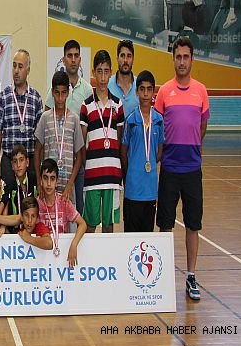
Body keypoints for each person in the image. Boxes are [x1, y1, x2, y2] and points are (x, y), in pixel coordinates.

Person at [154, 37, 209, 300]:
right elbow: (157, 128)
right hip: (169, 169)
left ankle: (191, 276)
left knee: (192, 224)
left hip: (192, 170)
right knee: (166, 224)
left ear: (192, 59)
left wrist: (192, 147)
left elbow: (202, 127)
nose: (182, 61)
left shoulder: (201, 91)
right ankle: (164, 278)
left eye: (186, 57)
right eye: (178, 57)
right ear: (173, 59)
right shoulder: (164, 92)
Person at [0, 159, 86, 267]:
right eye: (45, 178)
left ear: (57, 181)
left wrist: (74, 244)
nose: (49, 183)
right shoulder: (37, 203)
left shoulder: (64, 202)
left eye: (52, 179)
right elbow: (19, 218)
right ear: (40, 180)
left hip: (63, 256)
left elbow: (82, 224)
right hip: (41, 257)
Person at [45, 40, 92, 215]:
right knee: (54, 207)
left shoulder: (87, 90)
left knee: (77, 207)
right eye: (69, 56)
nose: (73, 59)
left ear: (80, 59)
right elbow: (47, 120)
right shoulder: (55, 90)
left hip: (77, 159)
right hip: (56, 159)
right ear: (63, 59)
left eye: (76, 56)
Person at [80, 50, 124, 234]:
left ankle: (108, 255)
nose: (103, 77)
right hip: (92, 176)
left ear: (111, 73)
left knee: (108, 225)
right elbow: (82, 143)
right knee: (90, 225)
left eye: (106, 71)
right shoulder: (86, 105)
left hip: (112, 176)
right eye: (99, 71)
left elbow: (119, 140)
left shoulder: (118, 105)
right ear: (93, 73)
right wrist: (87, 167)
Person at [0, 49, 43, 193]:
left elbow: (40, 136)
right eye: (14, 66)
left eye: (20, 66)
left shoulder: (36, 98)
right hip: (9, 160)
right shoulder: (4, 96)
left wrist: (39, 163)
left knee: (30, 200)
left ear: (28, 70)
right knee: (7, 198)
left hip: (29, 161)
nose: (16, 71)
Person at [120, 70, 164, 233]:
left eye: (149, 89)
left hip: (150, 189)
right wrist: (132, 172)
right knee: (131, 237)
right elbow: (123, 152)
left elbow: (159, 152)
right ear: (137, 91)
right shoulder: (131, 120)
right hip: (133, 189)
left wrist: (148, 162)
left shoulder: (159, 121)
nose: (145, 93)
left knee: (147, 236)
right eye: (142, 89)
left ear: (153, 92)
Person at [34, 71, 84, 207]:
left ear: (68, 93)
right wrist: (39, 181)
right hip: (48, 185)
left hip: (67, 186)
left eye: (63, 93)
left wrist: (70, 184)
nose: (60, 98)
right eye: (57, 93)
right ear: (52, 93)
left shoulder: (74, 119)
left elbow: (79, 156)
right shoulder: (45, 118)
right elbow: (37, 151)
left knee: (68, 217)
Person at [0, 145, 36, 226]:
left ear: (27, 162)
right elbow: (3, 202)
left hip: (33, 227)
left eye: (21, 160)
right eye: (15, 161)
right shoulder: (8, 181)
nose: (18, 165)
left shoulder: (34, 180)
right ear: (12, 165)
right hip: (14, 229)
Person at [108, 40, 138, 119]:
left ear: (133, 59)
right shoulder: (108, 85)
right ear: (117, 58)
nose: (125, 60)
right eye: (122, 56)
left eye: (129, 56)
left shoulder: (140, 86)